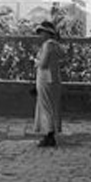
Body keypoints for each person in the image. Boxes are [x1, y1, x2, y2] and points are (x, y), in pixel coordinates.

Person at [33, 19, 64, 147]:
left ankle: (49, 133)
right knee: (52, 106)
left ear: (47, 33)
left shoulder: (48, 45)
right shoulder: (57, 45)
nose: (40, 35)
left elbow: (43, 63)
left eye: (42, 32)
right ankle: (51, 132)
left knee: (46, 106)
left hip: (46, 78)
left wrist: (35, 61)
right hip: (54, 78)